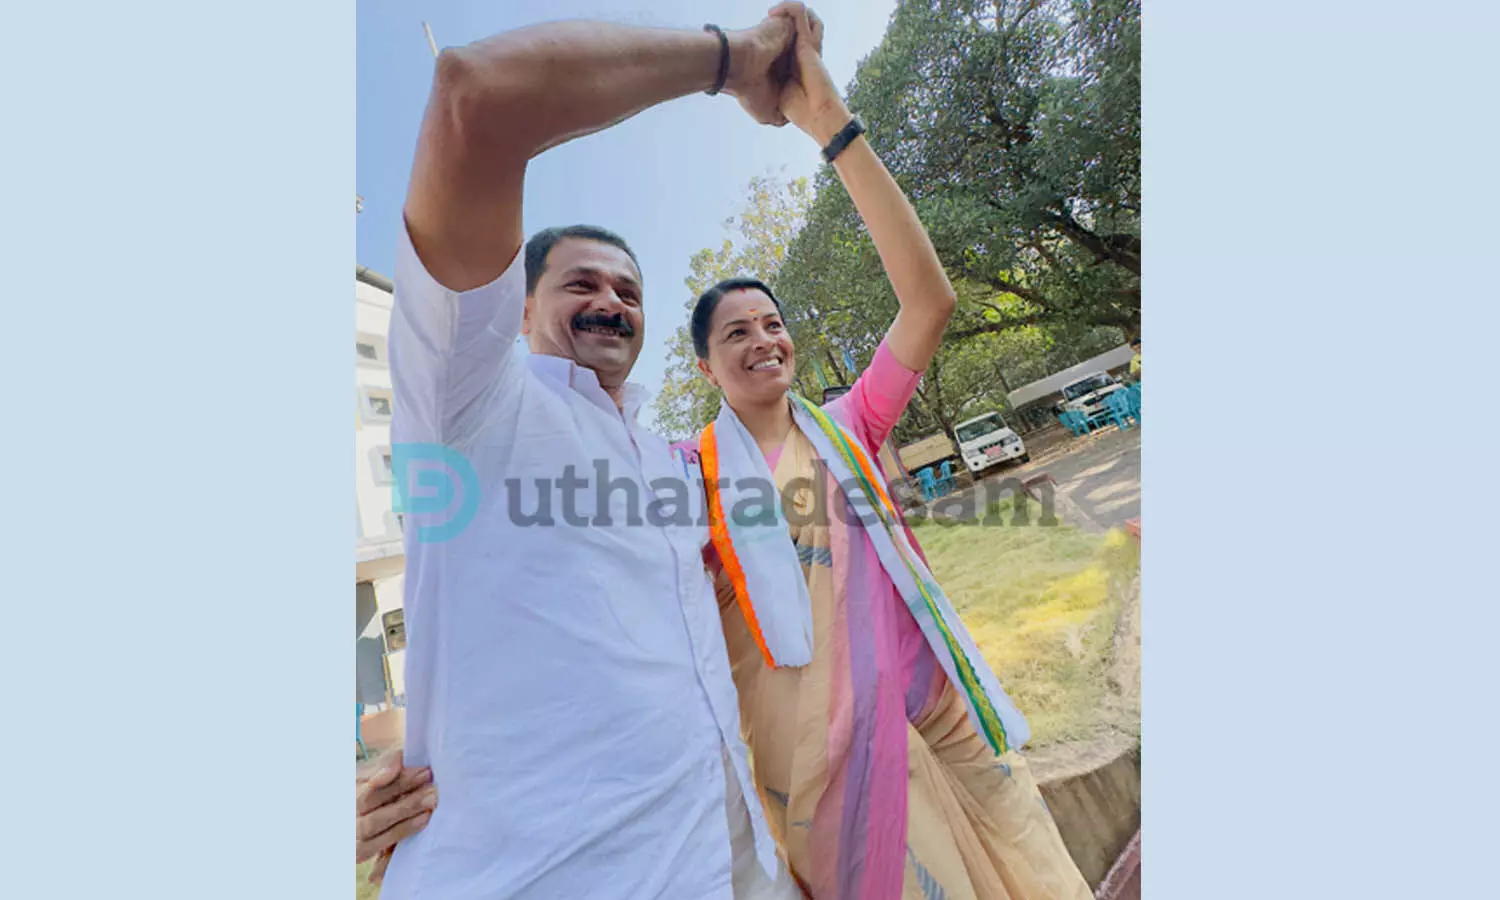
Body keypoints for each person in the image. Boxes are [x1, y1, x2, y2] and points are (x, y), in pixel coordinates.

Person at [365, 9, 1093, 899]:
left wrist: (832, 125)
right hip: (804, 789)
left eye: (772, 324)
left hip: (884, 752)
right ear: (704, 367)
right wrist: (387, 775)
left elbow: (928, 303)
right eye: (580, 284)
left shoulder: (819, 433)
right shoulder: (648, 462)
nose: (763, 342)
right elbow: (477, 97)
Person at [363, 7, 821, 898]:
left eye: (630, 292)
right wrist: (738, 60)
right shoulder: (471, 403)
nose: (612, 302)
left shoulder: (671, 464)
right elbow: (476, 93)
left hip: (730, 863)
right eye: (581, 284)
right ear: (517, 310)